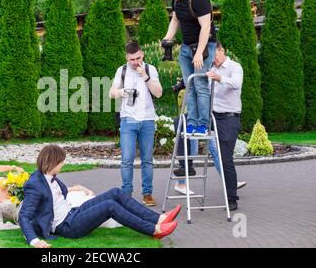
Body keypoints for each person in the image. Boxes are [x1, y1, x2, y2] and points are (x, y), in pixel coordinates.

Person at [18, 145, 180, 248]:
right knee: (109, 206)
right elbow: (24, 216)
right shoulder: (35, 184)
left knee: (115, 192)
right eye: (62, 162)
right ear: (53, 163)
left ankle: (158, 219)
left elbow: (53, 195)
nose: (63, 165)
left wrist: (74, 188)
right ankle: (154, 230)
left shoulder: (47, 176)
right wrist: (34, 241)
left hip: (73, 213)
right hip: (67, 226)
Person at [172, 41, 243, 210]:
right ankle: (186, 166)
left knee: (226, 158)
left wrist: (218, 77)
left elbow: (236, 83)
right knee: (180, 122)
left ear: (221, 50)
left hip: (228, 117)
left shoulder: (234, 67)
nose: (213, 59)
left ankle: (232, 197)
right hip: (208, 116)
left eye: (214, 55)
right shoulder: (208, 68)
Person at [161, 0, 217, 136]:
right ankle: (192, 124)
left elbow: (206, 27)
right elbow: (175, 20)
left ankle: (203, 125)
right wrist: (167, 38)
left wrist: (199, 53)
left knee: (200, 85)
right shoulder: (176, 2)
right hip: (186, 48)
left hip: (204, 47)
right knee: (189, 85)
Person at [109, 41, 163, 206]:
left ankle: (147, 194)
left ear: (142, 54)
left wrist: (144, 76)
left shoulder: (150, 69)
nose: (135, 62)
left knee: (147, 159)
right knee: (127, 159)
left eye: (138, 58)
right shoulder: (122, 70)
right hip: (128, 120)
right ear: (127, 57)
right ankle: (126, 195)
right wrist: (122, 92)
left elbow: (159, 93)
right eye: (132, 59)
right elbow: (111, 93)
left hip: (147, 119)